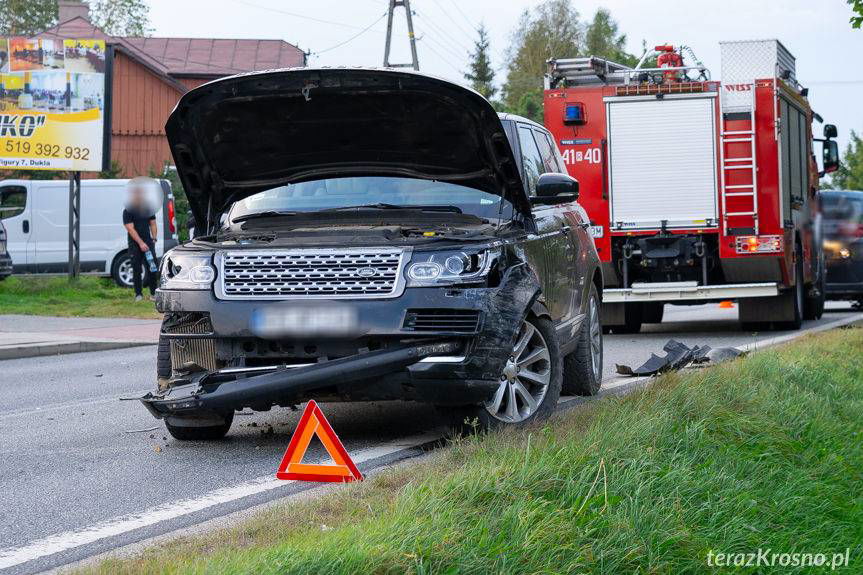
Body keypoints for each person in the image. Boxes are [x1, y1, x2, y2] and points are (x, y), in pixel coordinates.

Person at [122, 186, 158, 301]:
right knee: (136, 269)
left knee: (152, 268)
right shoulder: (128, 211)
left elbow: (153, 223)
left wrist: (154, 238)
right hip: (135, 245)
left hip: (148, 244)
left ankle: (153, 294)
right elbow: (130, 229)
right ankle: (138, 294)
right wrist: (141, 243)